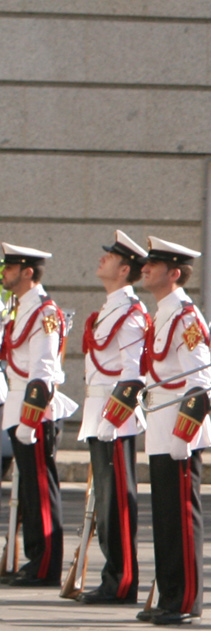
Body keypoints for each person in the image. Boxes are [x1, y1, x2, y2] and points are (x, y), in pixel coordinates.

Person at [136, 237, 211, 625]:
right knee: (164, 515)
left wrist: (185, 433)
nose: (145, 268)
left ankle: (184, 600)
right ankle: (168, 595)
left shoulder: (185, 317)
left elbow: (200, 382)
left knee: (181, 515)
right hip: (161, 424)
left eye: (155, 264)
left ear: (175, 273)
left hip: (179, 429)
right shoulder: (162, 314)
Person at [75, 232, 151, 604]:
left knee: (117, 502)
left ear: (124, 269)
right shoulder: (110, 308)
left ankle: (121, 581)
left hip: (114, 417)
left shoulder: (131, 313)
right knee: (105, 501)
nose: (101, 261)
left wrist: (112, 418)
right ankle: (113, 574)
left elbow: (133, 375)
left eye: (110, 258)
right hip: (98, 413)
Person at [1, 242, 73, 586]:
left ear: (27, 272)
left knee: (41, 488)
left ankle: (45, 566)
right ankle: (34, 559)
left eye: (10, 267)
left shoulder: (44, 311)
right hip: (18, 408)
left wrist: (30, 420)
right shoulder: (22, 309)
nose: (4, 273)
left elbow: (44, 370)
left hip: (35, 413)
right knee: (29, 489)